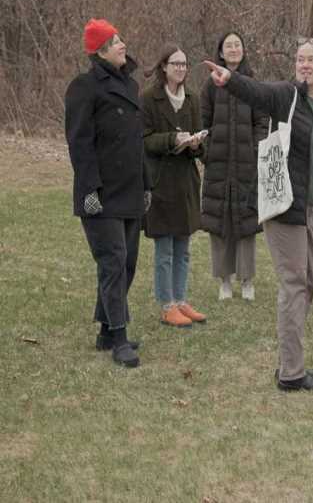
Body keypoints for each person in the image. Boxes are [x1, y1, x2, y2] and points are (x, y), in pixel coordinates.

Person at [203, 37, 313, 391]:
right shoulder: (288, 96)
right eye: (300, 59)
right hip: (285, 206)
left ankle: (290, 357)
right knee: (293, 284)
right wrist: (231, 79)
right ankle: (291, 372)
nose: (305, 65)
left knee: (310, 285)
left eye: (312, 60)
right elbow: (259, 93)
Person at [64, 19, 150, 368]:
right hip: (100, 194)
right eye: (115, 41)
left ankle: (104, 329)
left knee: (127, 263)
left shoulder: (129, 85)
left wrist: (146, 185)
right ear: (100, 50)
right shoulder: (84, 87)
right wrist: (89, 190)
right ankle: (118, 336)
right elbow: (79, 144)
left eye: (121, 38)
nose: (123, 45)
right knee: (113, 262)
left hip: (129, 191)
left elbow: (136, 143)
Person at [141, 44, 208, 328]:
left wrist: (195, 144)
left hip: (186, 183)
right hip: (160, 182)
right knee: (165, 249)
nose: (181, 68)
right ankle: (167, 305)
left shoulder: (192, 98)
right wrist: (173, 140)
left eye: (184, 64)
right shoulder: (148, 99)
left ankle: (181, 300)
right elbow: (143, 140)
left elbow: (198, 144)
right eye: (175, 63)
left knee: (184, 247)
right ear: (164, 67)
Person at [200, 31, 267, 301]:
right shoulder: (209, 85)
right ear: (221, 52)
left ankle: (247, 280)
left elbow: (262, 121)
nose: (233, 49)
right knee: (220, 223)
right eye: (228, 45)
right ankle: (224, 281)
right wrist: (206, 152)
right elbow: (202, 121)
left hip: (246, 166)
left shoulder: (251, 82)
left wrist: (255, 150)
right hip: (217, 165)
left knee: (246, 224)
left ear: (243, 50)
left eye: (237, 45)